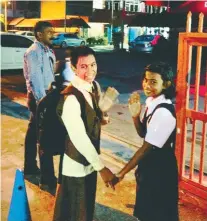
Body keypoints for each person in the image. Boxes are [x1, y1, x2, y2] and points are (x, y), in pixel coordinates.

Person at [53, 46, 117, 221]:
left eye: (93, 64)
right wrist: (102, 168)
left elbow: (91, 119)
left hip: (89, 162)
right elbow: (79, 138)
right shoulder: (71, 98)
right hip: (76, 165)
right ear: (73, 68)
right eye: (84, 66)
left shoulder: (92, 88)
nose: (90, 70)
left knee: (86, 211)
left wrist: (102, 117)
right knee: (75, 213)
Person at [114, 62, 179, 221]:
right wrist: (136, 116)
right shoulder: (152, 103)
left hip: (160, 170)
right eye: (145, 80)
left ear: (166, 84)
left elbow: (146, 147)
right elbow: (144, 133)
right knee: (146, 210)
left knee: (158, 212)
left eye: (153, 82)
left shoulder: (163, 111)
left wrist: (122, 172)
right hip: (150, 166)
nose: (147, 85)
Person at [23, 21, 56, 187]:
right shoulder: (34, 52)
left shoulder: (47, 51)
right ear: (39, 34)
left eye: (53, 31)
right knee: (43, 137)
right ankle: (46, 176)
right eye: (49, 32)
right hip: (39, 99)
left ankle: (30, 167)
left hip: (45, 98)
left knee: (34, 133)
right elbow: (35, 79)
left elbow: (49, 75)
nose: (53, 34)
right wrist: (43, 103)